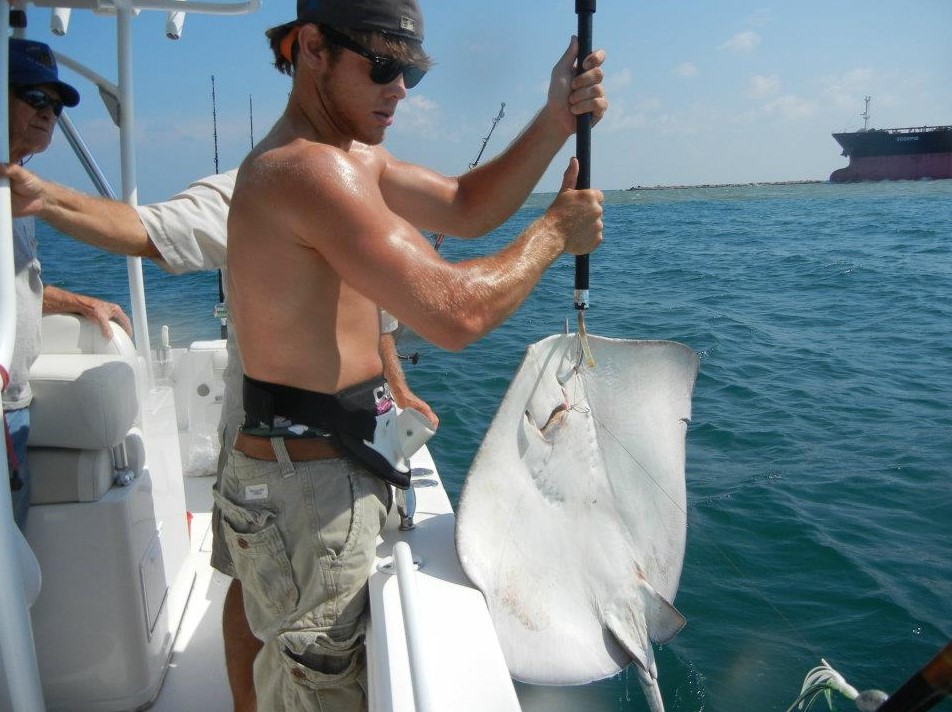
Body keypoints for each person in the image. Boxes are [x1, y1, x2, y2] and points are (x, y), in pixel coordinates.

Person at [223, 0, 607, 708]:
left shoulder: (353, 159)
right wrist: (553, 233)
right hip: (308, 494)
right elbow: (454, 315)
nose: (399, 89)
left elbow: (463, 203)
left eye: (412, 73)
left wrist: (556, 119)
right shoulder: (306, 171)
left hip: (335, 460)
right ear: (312, 48)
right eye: (382, 66)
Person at [0, 162, 435, 712]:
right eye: (380, 72)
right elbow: (152, 231)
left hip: (359, 438)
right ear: (314, 71)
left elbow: (384, 320)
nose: (393, 91)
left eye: (402, 78)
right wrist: (48, 198)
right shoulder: (259, 183)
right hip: (259, 440)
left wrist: (399, 390)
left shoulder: (374, 190)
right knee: (248, 584)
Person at [3, 37, 132, 533]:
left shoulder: (15, 188)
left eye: (54, 105)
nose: (47, 113)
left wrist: (77, 301)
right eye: (33, 98)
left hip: (14, 407)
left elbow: (13, 285)